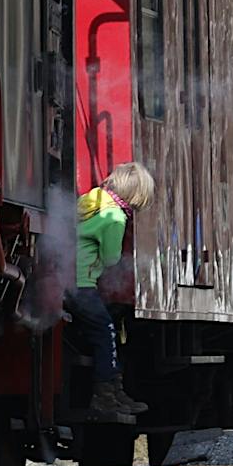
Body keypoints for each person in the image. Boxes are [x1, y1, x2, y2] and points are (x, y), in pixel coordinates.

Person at [67, 161, 156, 423]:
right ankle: (105, 395)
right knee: (106, 331)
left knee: (105, 329)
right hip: (81, 283)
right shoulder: (115, 217)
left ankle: (114, 391)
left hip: (63, 278)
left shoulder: (92, 200)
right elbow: (110, 258)